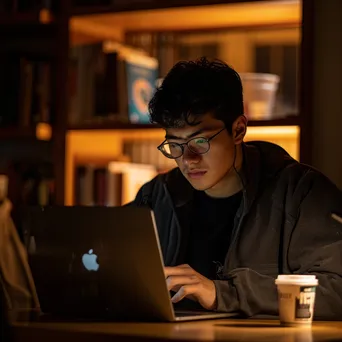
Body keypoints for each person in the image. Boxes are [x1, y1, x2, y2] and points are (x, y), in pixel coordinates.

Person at [131, 57, 342, 319]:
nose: (188, 159)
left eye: (199, 140)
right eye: (175, 144)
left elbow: (337, 290)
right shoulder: (157, 195)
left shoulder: (302, 194)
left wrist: (223, 293)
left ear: (239, 130)